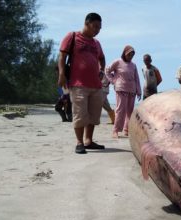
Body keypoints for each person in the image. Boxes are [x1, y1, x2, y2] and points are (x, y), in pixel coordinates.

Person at [57, 12, 106, 154]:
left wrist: (102, 69)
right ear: (87, 23)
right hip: (78, 83)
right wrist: (61, 74)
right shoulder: (72, 36)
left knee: (93, 114)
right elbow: (62, 56)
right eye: (95, 26)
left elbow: (102, 58)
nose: (97, 30)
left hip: (96, 85)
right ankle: (79, 142)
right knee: (79, 114)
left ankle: (89, 140)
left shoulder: (96, 43)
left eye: (99, 28)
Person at [106, 45, 141, 138]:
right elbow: (107, 71)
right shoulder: (118, 62)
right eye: (129, 54)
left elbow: (136, 78)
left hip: (132, 90)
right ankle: (116, 130)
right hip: (121, 89)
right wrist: (113, 81)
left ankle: (127, 129)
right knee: (120, 110)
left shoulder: (133, 65)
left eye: (132, 55)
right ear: (125, 53)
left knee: (130, 111)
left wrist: (139, 91)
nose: (131, 57)